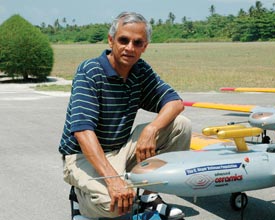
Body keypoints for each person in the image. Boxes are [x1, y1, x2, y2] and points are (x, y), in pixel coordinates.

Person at [58, 11, 192, 220]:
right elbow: (83, 132)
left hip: (119, 148)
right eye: (124, 40)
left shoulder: (139, 70)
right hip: (83, 156)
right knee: (117, 207)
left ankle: (149, 197)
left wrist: (152, 128)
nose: (130, 48)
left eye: (137, 43)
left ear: (144, 47)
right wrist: (113, 180)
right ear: (111, 40)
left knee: (181, 125)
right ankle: (80, 198)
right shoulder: (90, 71)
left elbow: (175, 103)